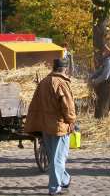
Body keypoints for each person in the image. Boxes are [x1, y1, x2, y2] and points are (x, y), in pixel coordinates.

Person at [25, 58, 76, 195]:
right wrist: (71, 121)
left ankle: (64, 179)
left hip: (45, 125)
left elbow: (35, 104)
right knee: (58, 157)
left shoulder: (43, 82)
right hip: (59, 126)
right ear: (64, 69)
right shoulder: (61, 83)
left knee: (54, 155)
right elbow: (68, 106)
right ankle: (54, 188)